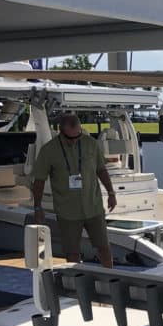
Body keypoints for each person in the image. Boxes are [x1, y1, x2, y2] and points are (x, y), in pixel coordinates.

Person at [31, 111, 117, 267]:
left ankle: (110, 277)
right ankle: (77, 283)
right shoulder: (49, 150)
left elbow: (101, 170)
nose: (74, 140)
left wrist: (111, 193)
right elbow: (39, 180)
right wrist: (38, 207)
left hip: (94, 207)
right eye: (70, 137)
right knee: (72, 252)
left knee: (104, 246)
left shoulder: (91, 144)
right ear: (61, 132)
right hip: (67, 211)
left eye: (77, 136)